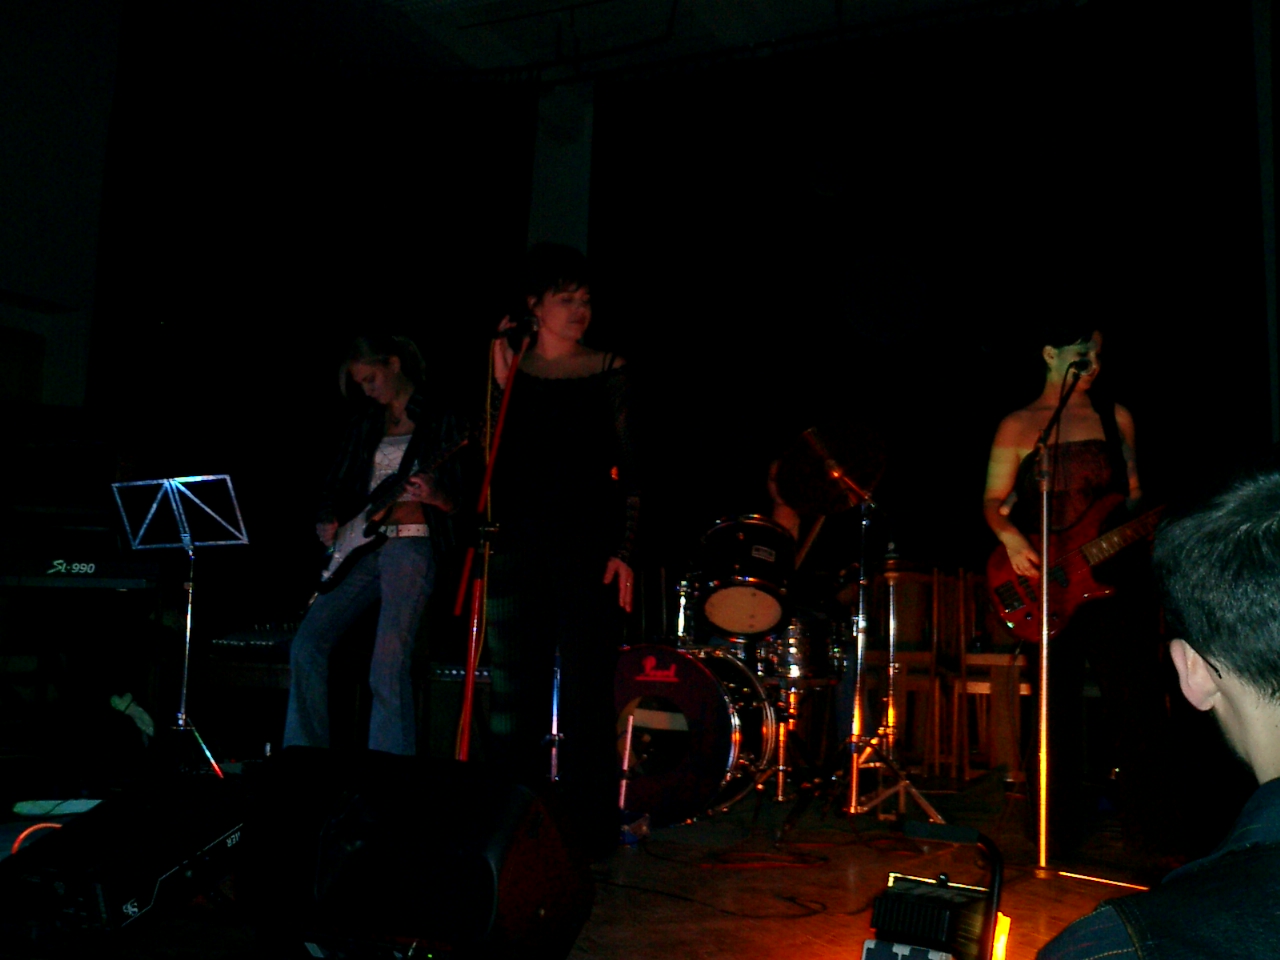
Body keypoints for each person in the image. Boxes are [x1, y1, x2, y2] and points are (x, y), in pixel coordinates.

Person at [1039, 470, 1280, 958]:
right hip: (1056, 574)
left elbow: (1129, 497)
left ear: (1192, 671)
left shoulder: (1113, 946)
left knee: (1134, 718)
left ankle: (1150, 832)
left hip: (1108, 589)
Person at [486, 243, 638, 854]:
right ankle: (511, 825)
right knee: (512, 694)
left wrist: (625, 547)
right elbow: (492, 463)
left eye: (586, 300)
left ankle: (587, 831)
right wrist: (499, 379)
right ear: (534, 305)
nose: (580, 310)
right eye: (566, 299)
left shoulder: (608, 369)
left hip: (585, 547)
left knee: (585, 692)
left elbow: (632, 468)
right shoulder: (512, 373)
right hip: (518, 546)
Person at [982, 327, 1149, 851]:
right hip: (1048, 581)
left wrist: (1142, 527)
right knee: (1054, 709)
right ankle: (1054, 831)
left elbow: (1134, 495)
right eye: (1082, 353)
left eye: (1098, 352)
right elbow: (992, 500)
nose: (1093, 362)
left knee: (1136, 699)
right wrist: (1011, 539)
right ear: (1051, 354)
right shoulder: (1020, 424)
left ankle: (1152, 833)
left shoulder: (1114, 416)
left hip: (1113, 577)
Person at [283, 335, 466, 756]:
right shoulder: (366, 422)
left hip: (413, 545)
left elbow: (464, 496)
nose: (367, 390)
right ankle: (304, 758)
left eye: (371, 378)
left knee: (387, 664)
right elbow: (335, 481)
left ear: (394, 364)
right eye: (361, 383)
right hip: (363, 546)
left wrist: (437, 495)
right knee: (307, 644)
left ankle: (389, 770)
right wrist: (328, 520)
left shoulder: (441, 418)